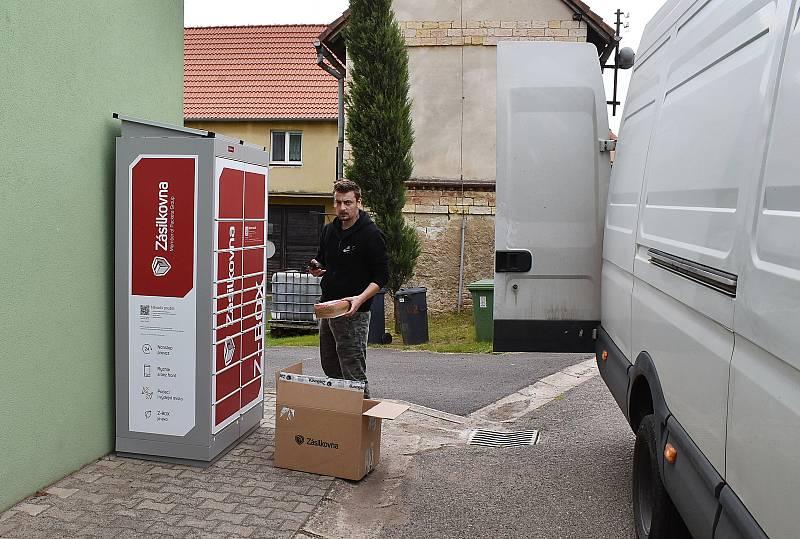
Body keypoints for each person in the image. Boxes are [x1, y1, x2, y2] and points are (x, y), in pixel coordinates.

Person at [309, 180, 388, 398]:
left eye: (348, 202)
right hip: (329, 308)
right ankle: (341, 417)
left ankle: (363, 424)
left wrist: (360, 299)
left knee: (353, 372)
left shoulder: (371, 234)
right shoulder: (329, 231)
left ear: (358, 203)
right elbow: (322, 260)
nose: (342, 208)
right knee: (331, 366)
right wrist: (317, 267)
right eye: (338, 203)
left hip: (354, 312)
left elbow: (382, 276)